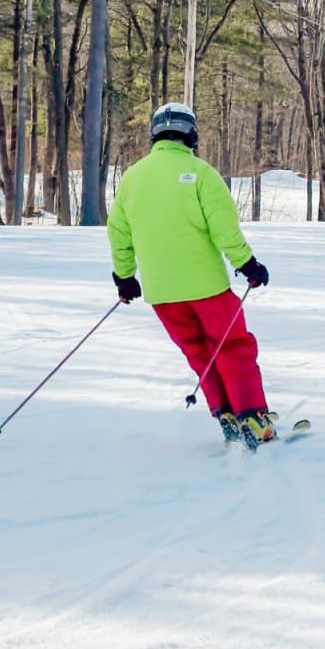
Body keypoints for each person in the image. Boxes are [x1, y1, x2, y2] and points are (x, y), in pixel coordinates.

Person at [107, 102, 274, 445]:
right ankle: (253, 417)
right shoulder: (201, 173)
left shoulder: (132, 177)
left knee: (199, 352)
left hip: (161, 293)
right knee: (232, 347)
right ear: (191, 134)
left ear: (154, 134)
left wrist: (125, 278)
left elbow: (119, 232)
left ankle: (226, 412)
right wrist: (247, 264)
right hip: (206, 286)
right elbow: (224, 229)